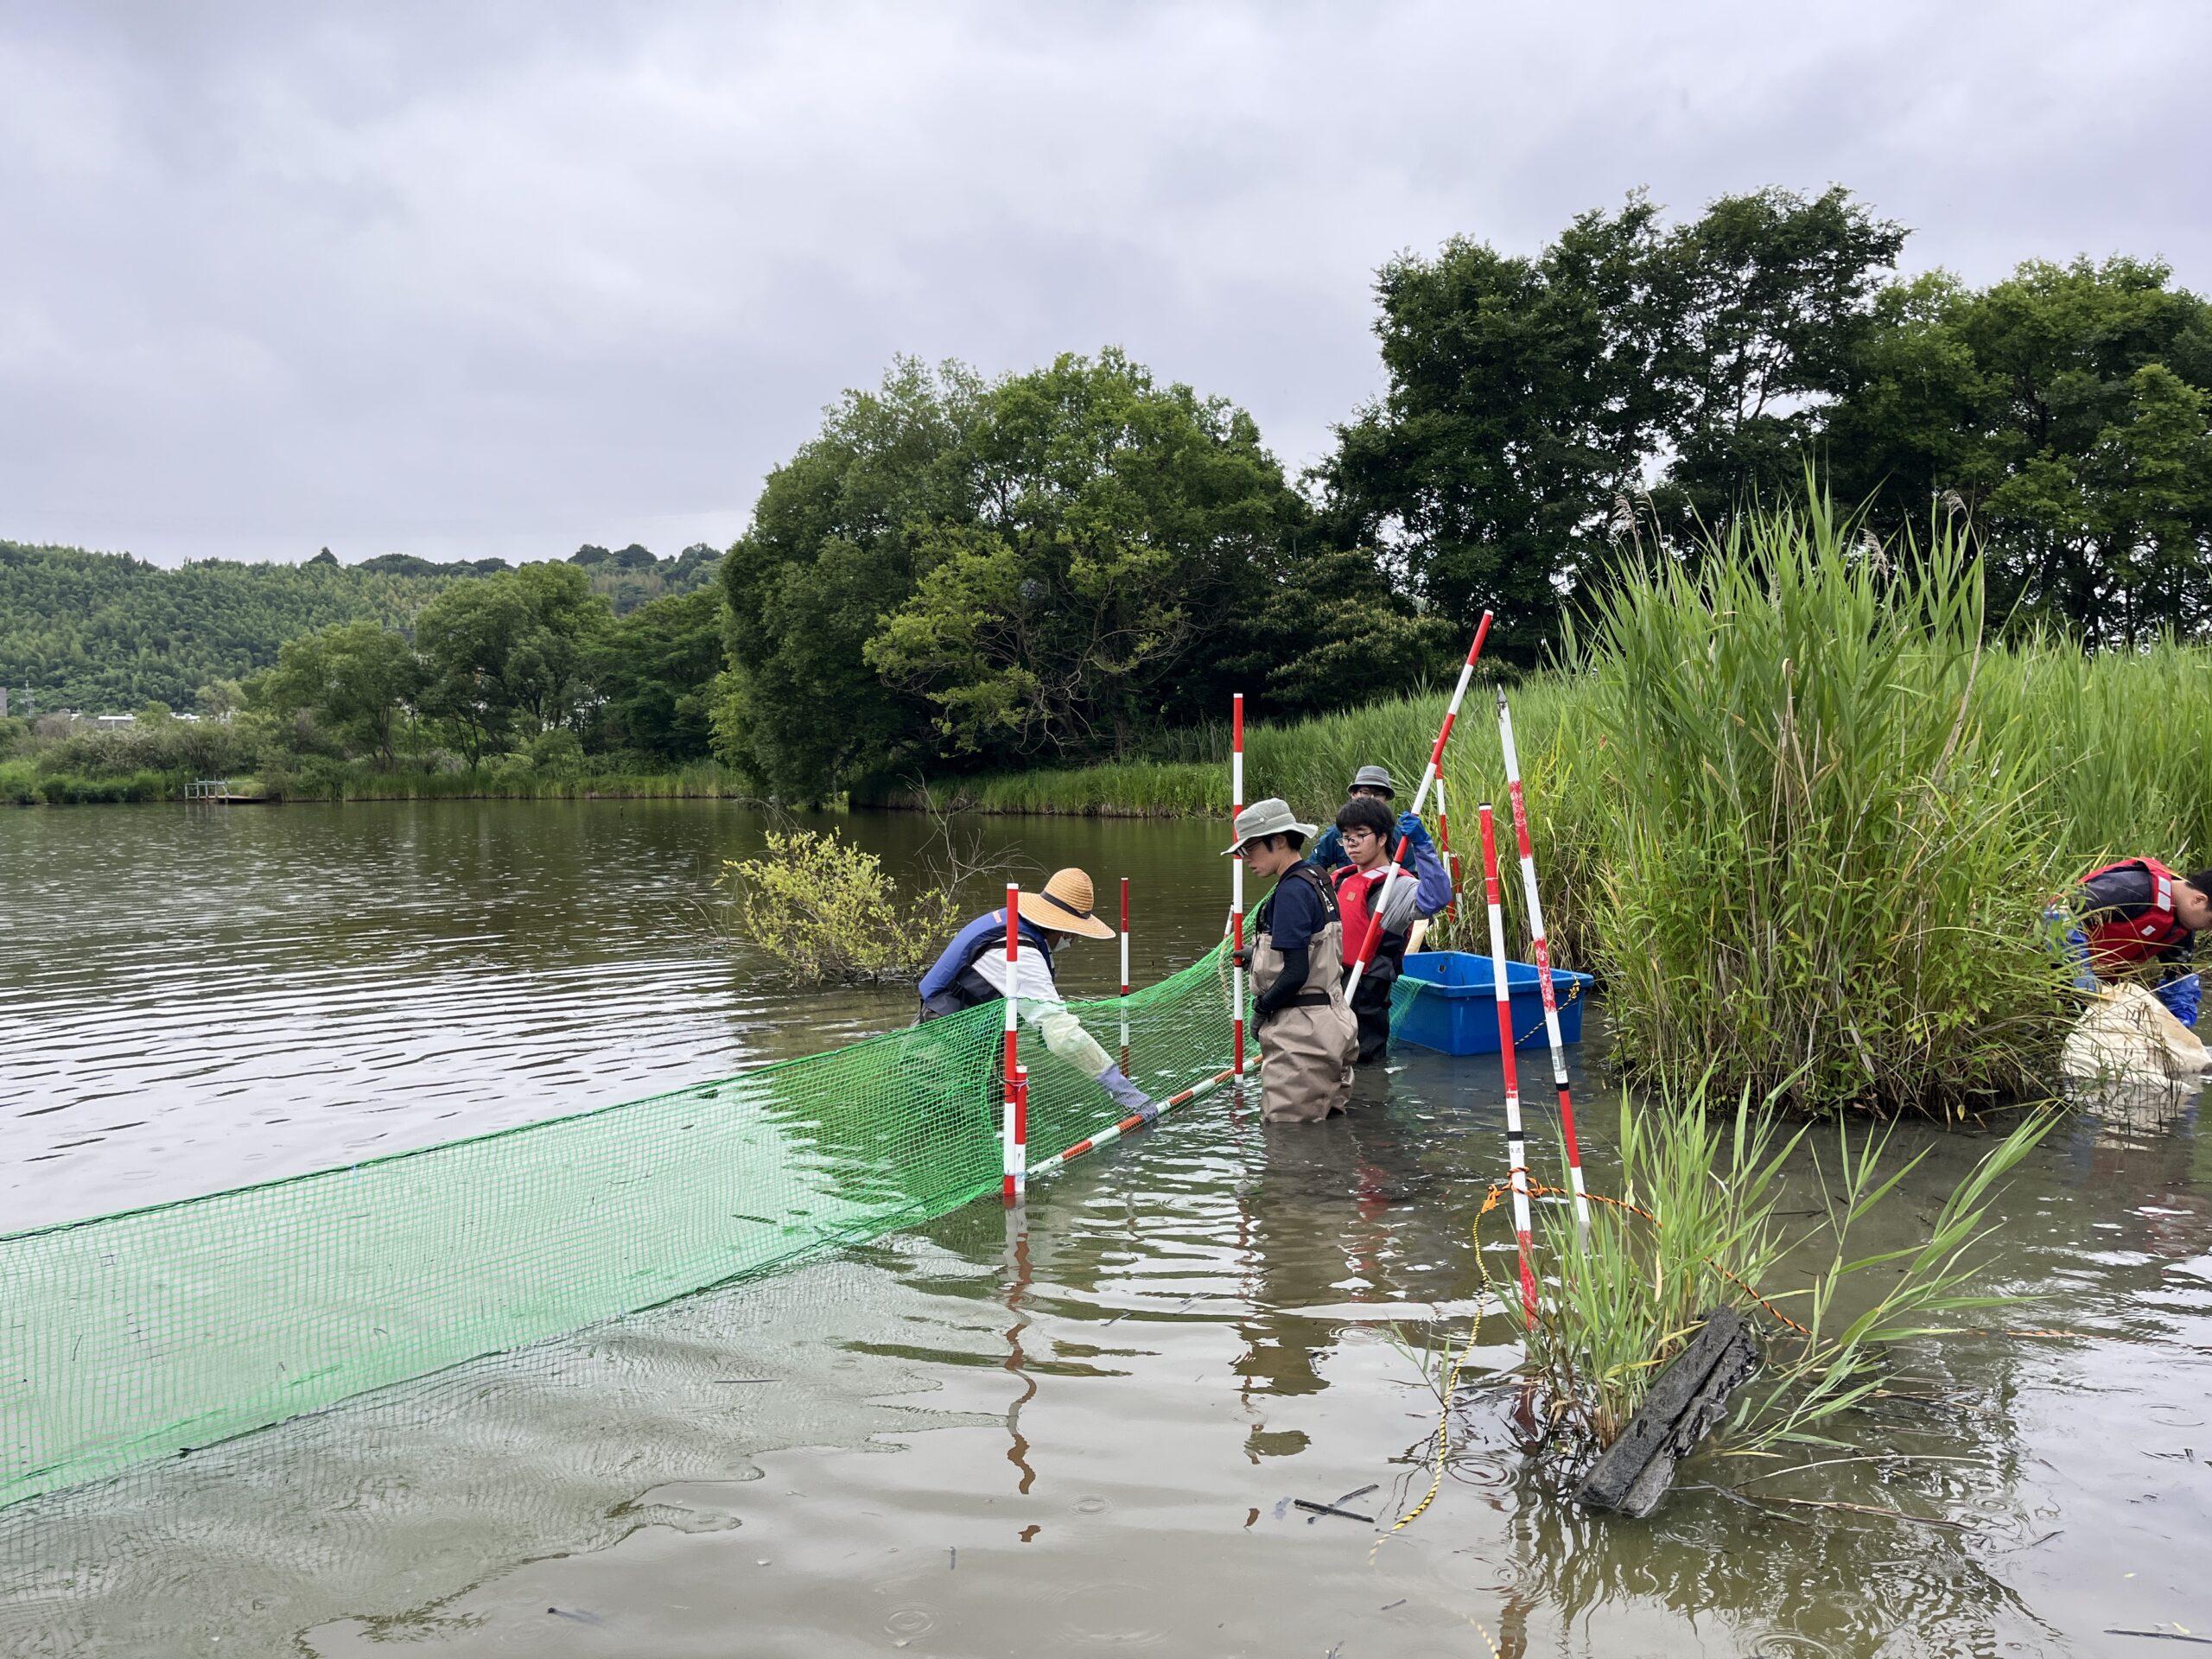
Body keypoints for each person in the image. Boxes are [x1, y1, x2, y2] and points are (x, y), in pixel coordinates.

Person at [916, 867, 1157, 1114]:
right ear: (1063, 928)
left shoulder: (1013, 924)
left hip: (964, 1038)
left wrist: (1002, 1062)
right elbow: (1062, 1034)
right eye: (1075, 933)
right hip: (938, 1054)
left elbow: (995, 1002)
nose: (1074, 940)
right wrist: (1119, 1086)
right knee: (955, 1123)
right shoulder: (1020, 952)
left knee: (997, 1110)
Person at [1225, 798, 1357, 1122]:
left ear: (1280, 840)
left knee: (1287, 1144)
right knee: (1327, 1130)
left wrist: (1261, 1009)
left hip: (1303, 1034)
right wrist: (1258, 953)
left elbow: (1296, 972)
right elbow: (1314, 948)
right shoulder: (1318, 878)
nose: (1245, 860)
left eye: (1250, 849)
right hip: (1335, 1019)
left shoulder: (1290, 893)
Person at [1328, 793, 1449, 1065]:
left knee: (1364, 1068)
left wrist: (1422, 845)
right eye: (1346, 835)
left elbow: (1438, 897)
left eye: (1360, 834)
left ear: (1383, 838)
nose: (1351, 843)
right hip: (1332, 985)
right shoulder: (1342, 878)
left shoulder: (1397, 886)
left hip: (1366, 994)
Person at [2055, 857, 2212, 1027]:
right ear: (2198, 900)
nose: (2209, 929)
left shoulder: (2182, 928)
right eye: (2211, 922)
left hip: (2091, 994)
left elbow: (2177, 980)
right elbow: (2060, 914)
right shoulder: (2134, 888)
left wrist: (2181, 1021)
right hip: (2049, 974)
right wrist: (2080, 972)